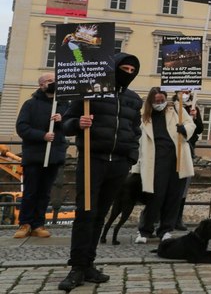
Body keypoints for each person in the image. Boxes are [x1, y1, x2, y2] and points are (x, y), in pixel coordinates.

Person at [58, 53, 143, 292]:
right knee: (85, 213)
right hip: (92, 159)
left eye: (131, 70)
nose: (127, 73)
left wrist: (130, 157)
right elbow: (66, 123)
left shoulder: (133, 100)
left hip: (118, 164)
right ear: (114, 68)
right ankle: (77, 266)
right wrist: (78, 124)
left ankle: (89, 264)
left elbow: (135, 131)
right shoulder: (90, 93)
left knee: (100, 214)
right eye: (123, 68)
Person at [134, 87, 197, 242]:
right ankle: (145, 230)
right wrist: (135, 168)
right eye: (157, 101)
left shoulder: (175, 109)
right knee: (155, 197)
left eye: (162, 100)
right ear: (151, 101)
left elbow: (191, 124)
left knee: (173, 196)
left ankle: (166, 229)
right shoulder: (144, 118)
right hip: (156, 161)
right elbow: (139, 144)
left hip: (177, 159)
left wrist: (184, 129)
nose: (160, 103)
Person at [15, 72, 69, 239]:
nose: (52, 83)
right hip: (34, 155)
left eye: (54, 80)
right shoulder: (30, 105)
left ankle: (39, 224)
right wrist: (42, 136)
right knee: (31, 191)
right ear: (41, 85)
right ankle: (25, 223)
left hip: (53, 155)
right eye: (49, 81)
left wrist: (63, 120)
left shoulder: (63, 105)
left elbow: (71, 128)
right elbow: (22, 127)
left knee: (45, 192)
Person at [172, 90, 203, 231]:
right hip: (171, 149)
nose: (186, 93)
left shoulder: (193, 107)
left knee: (183, 187)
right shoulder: (171, 106)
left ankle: (178, 218)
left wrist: (194, 118)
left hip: (188, 151)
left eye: (188, 91)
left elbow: (200, 129)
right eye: (183, 91)